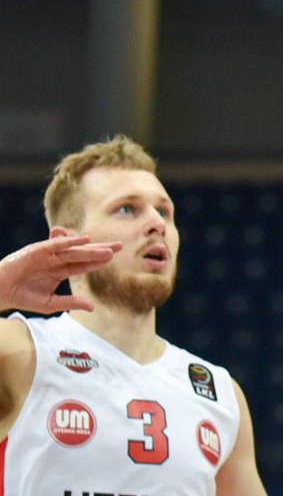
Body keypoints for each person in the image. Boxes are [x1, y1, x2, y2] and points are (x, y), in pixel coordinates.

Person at [0, 137, 268, 495]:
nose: (156, 224)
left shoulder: (220, 394)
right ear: (66, 243)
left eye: (164, 212)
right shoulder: (19, 351)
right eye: (127, 209)